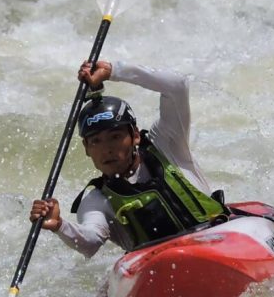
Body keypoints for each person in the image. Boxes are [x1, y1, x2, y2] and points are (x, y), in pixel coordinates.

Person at [29, 60, 227, 258]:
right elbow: (90, 242)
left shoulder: (167, 145)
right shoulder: (96, 200)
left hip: (219, 239)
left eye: (115, 137)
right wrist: (58, 225)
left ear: (135, 136)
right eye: (96, 141)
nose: (107, 149)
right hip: (160, 267)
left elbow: (177, 85)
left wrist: (115, 71)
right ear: (87, 149)